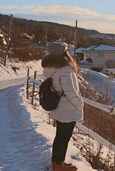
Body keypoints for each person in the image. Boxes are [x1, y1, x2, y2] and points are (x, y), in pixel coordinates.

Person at [42, 42, 84, 171]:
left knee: (60, 137)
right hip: (68, 108)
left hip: (60, 107)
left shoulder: (51, 67)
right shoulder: (64, 69)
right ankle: (59, 166)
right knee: (63, 138)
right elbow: (70, 91)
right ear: (63, 53)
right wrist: (80, 103)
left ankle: (57, 163)